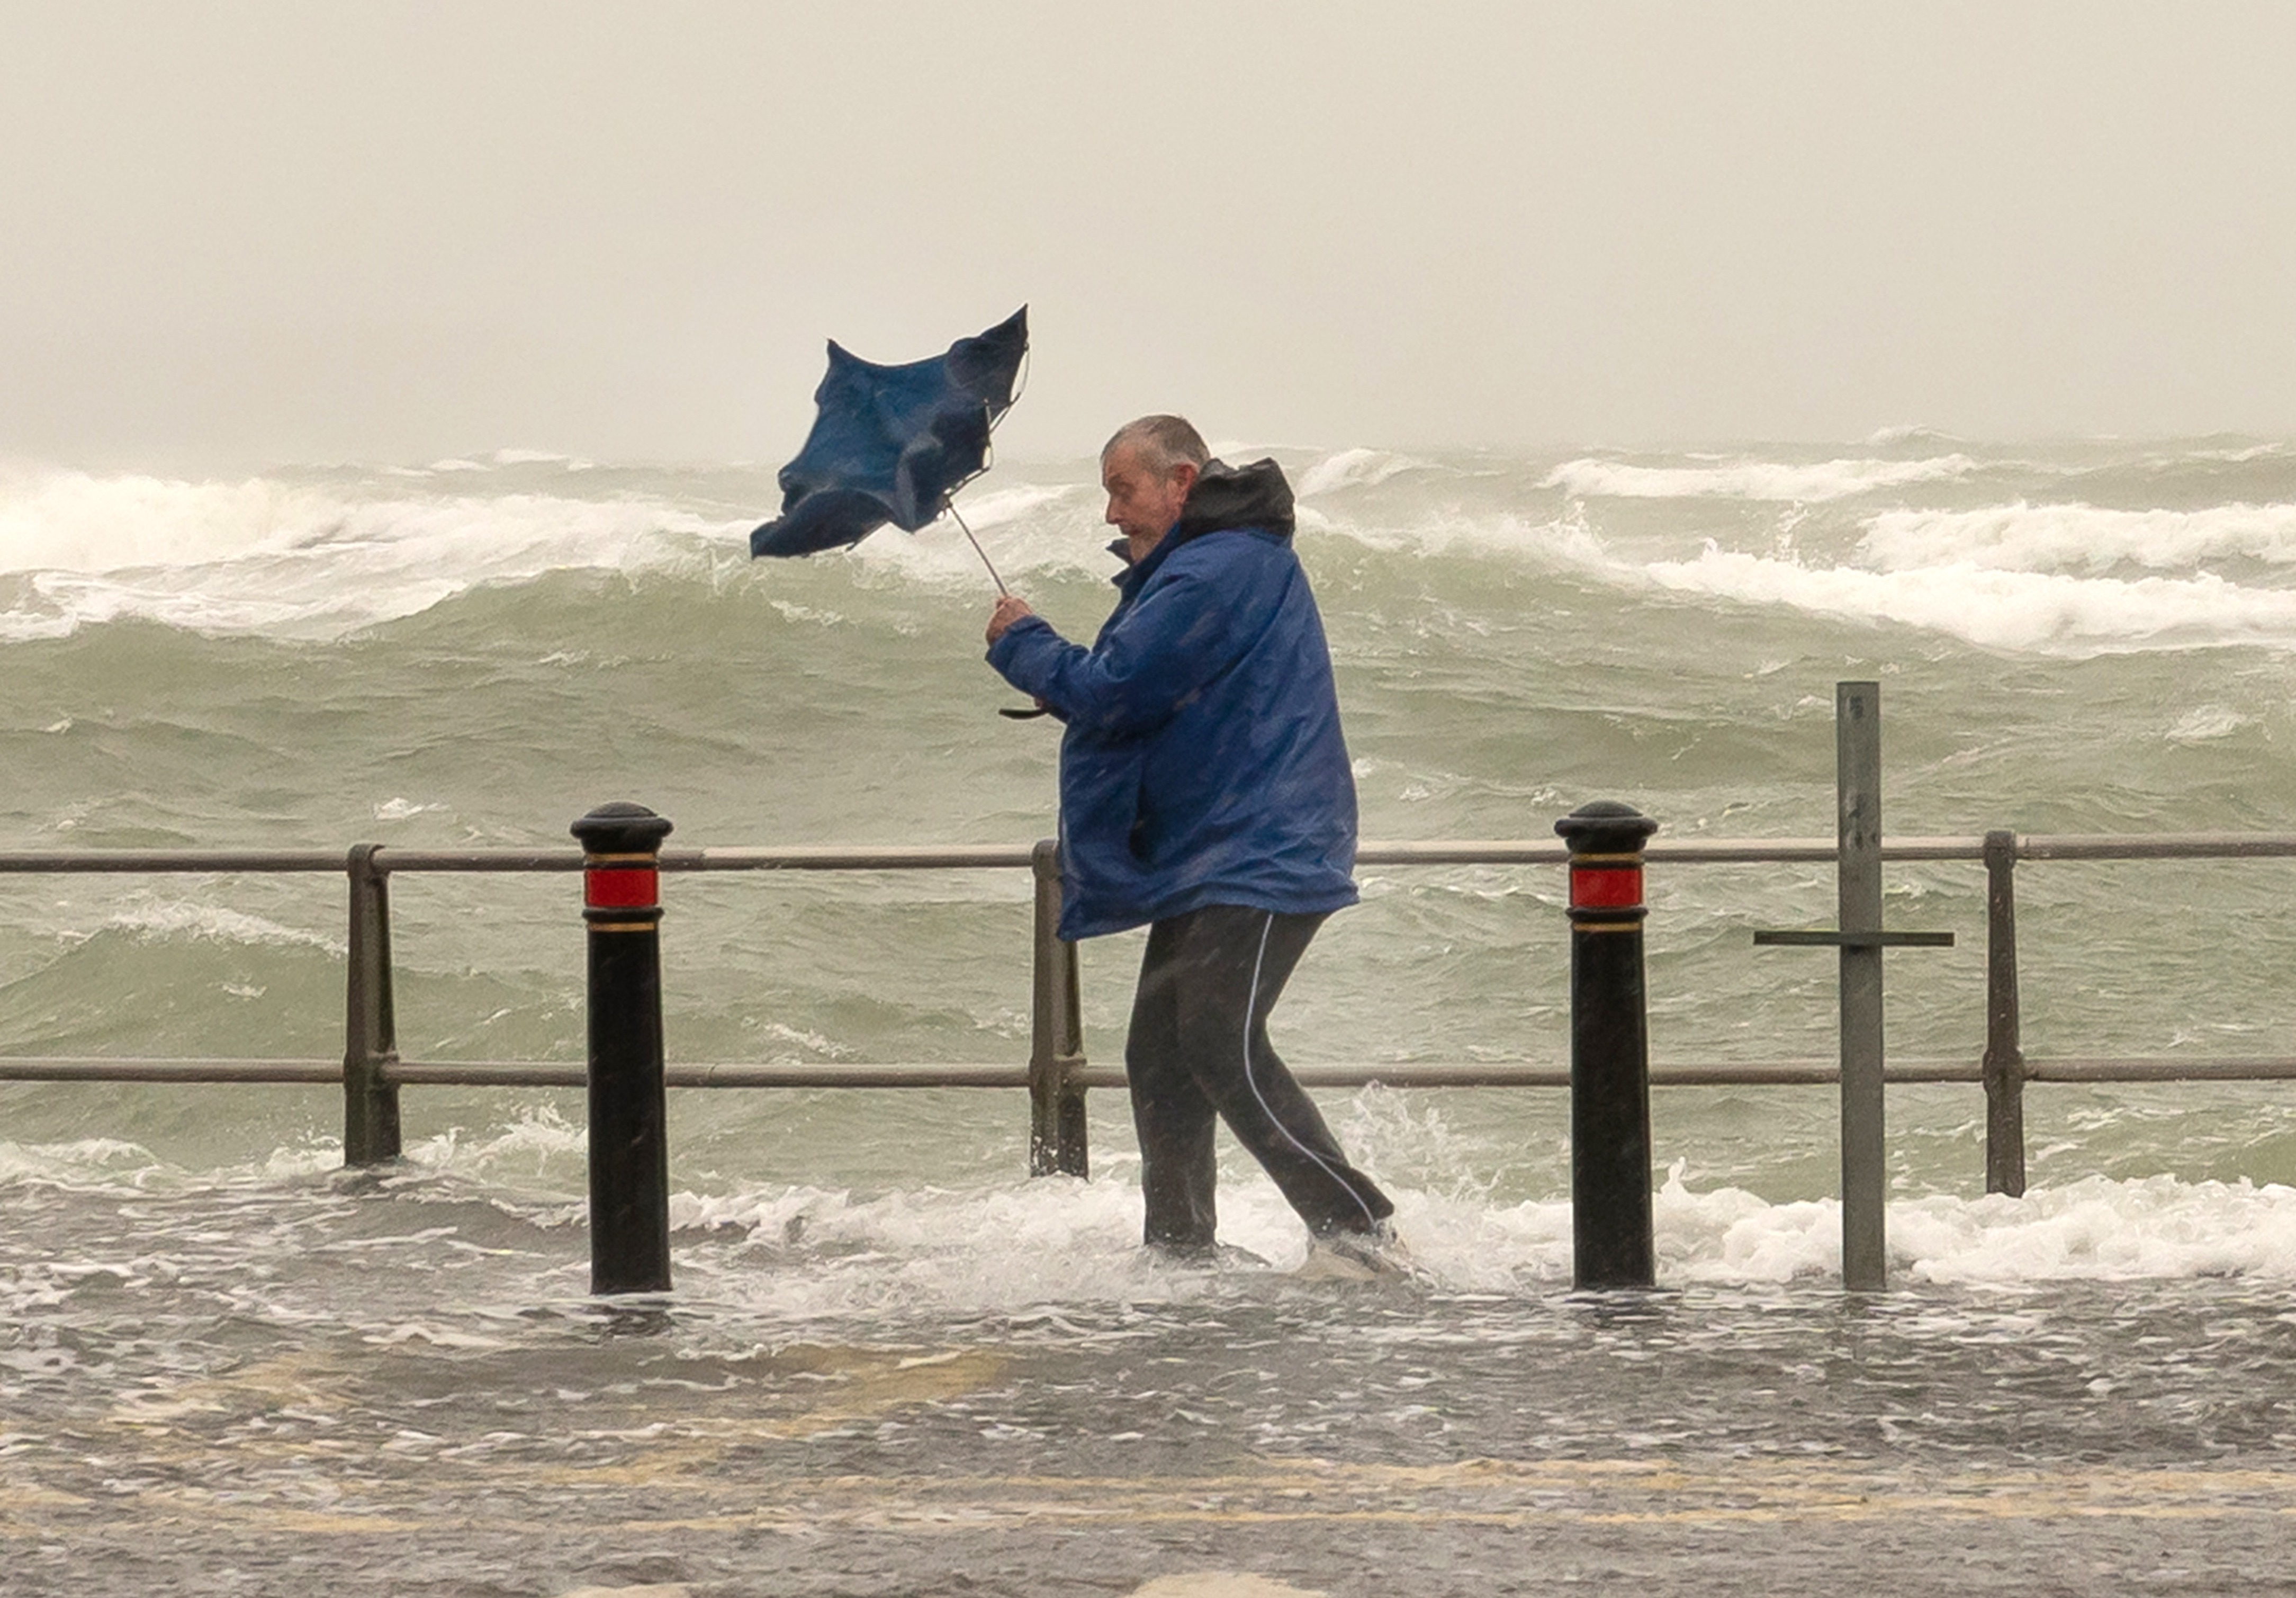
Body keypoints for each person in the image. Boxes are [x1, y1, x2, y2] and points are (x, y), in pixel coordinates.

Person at [984, 414, 1402, 1276]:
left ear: (1182, 480)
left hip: (1261, 844)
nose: (1111, 514)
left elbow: (1116, 688)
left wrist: (1023, 643)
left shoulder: (1217, 569)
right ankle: (1179, 1252)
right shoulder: (1194, 567)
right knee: (1160, 1052)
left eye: (1122, 490)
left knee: (1215, 1037)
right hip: (1214, 847)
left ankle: (1357, 1230)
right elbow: (1141, 693)